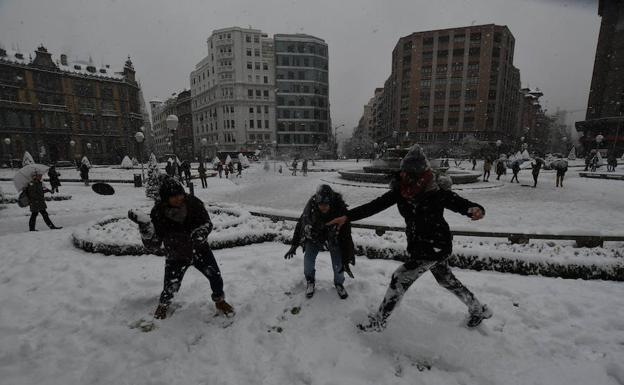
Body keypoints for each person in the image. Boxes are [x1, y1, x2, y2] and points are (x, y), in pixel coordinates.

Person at [327, 145, 491, 331]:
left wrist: (475, 210)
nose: (404, 176)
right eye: (403, 171)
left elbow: (461, 204)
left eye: (409, 173)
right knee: (446, 280)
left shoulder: (436, 192)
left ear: (421, 174)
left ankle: (379, 321)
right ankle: (478, 309)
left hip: (435, 245)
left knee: (400, 278)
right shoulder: (401, 191)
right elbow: (374, 205)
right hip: (420, 245)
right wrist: (347, 216)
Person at [129, 177, 234, 320]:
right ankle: (164, 305)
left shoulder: (194, 204)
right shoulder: (158, 213)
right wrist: (146, 229)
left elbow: (207, 223)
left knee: (215, 276)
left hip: (200, 250)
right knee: (171, 284)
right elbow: (154, 244)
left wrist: (201, 232)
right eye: (174, 196)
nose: (179, 198)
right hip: (176, 255)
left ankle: (220, 301)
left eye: (180, 194)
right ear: (166, 199)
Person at [284, 185, 354, 299]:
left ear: (331, 202)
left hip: (334, 236)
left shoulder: (340, 209)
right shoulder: (310, 209)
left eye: (326, 204)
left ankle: (339, 283)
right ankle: (310, 280)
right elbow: (300, 224)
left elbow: (346, 234)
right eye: (321, 204)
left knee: (339, 264)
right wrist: (294, 245)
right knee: (308, 259)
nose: (323, 207)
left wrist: (346, 256)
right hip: (315, 236)